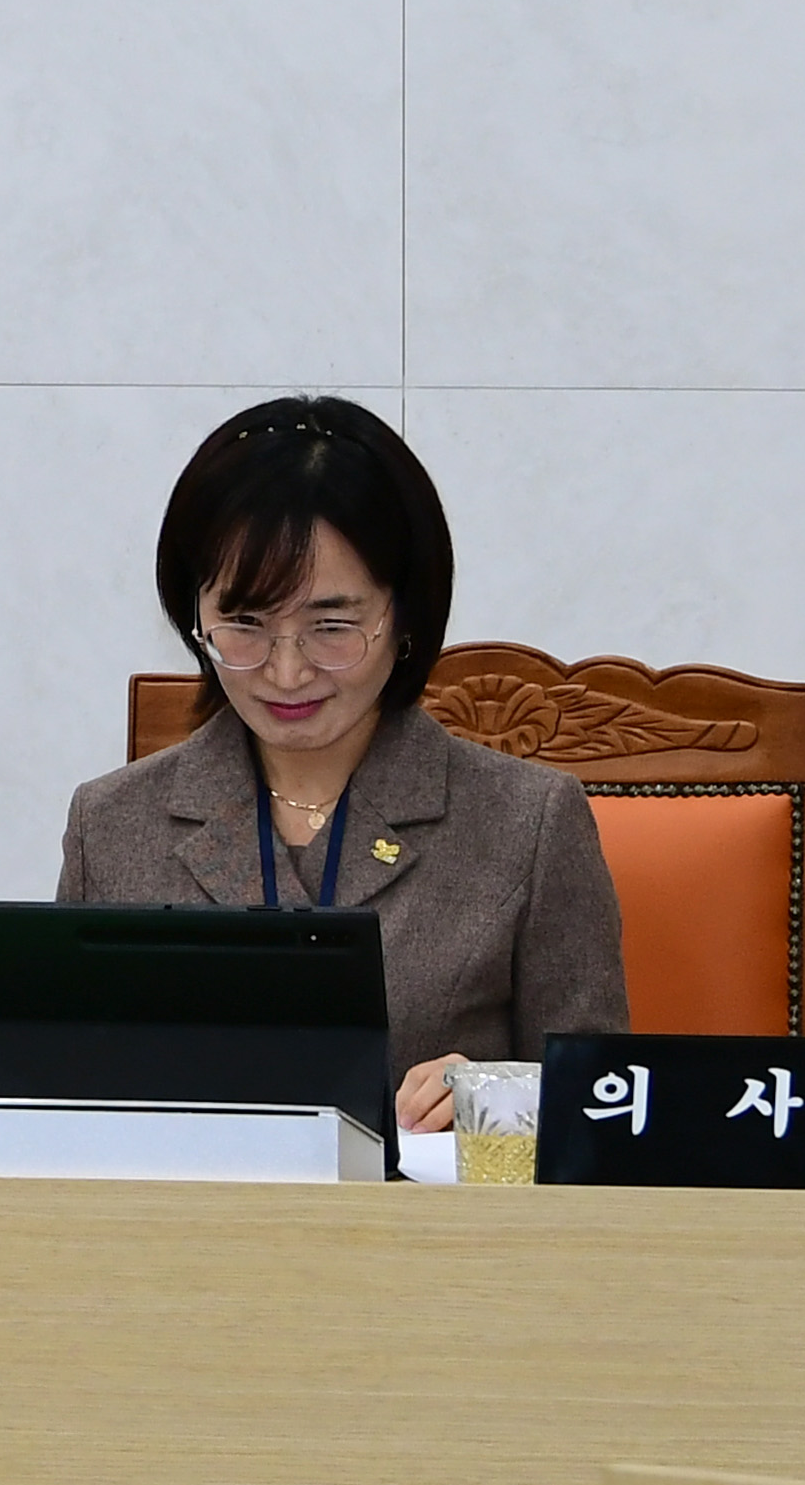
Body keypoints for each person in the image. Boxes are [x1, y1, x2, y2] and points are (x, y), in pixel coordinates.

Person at [56, 397, 628, 1127]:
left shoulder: (529, 825)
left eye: (331, 627)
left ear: (405, 615)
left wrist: (500, 1095)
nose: (286, 672)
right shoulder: (109, 826)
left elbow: (605, 1104)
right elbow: (62, 1102)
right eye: (244, 624)